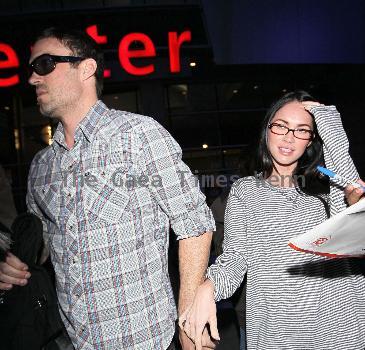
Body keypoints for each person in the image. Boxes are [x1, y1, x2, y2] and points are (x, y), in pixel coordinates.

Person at [0, 27, 216, 350]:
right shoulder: (41, 167)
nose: (33, 78)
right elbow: (46, 245)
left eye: (45, 64)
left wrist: (187, 323)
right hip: (71, 343)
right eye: (31, 69)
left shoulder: (138, 136)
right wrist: (16, 264)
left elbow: (195, 224)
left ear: (86, 68)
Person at [179, 91, 365, 350]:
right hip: (277, 335)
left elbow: (349, 191)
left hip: (339, 333)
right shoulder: (245, 191)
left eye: (302, 130)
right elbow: (234, 259)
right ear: (267, 130)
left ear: (311, 140)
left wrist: (326, 117)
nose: (289, 137)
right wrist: (207, 287)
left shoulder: (327, 188)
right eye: (281, 126)